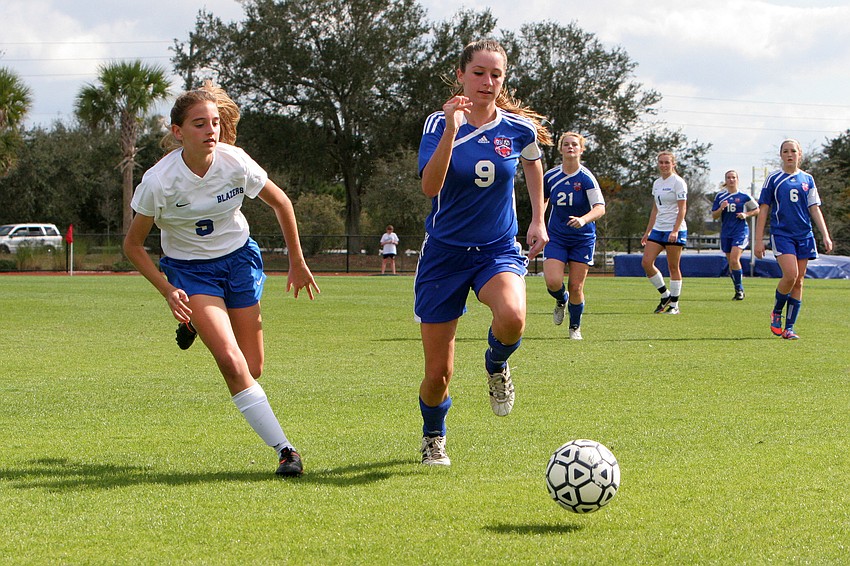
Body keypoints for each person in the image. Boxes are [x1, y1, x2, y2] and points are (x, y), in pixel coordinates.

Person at [123, 86, 320, 476]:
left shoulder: (235, 162)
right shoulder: (159, 181)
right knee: (231, 363)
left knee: (252, 367)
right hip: (190, 272)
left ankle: (195, 322)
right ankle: (286, 450)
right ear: (178, 131)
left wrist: (297, 261)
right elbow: (132, 245)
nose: (210, 130)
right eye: (199, 124)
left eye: (214, 122)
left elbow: (282, 202)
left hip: (238, 261)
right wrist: (167, 290)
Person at [415, 39, 551, 466]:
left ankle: (496, 364)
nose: (487, 82)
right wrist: (454, 128)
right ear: (461, 75)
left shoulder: (518, 129)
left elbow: (532, 162)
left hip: (496, 250)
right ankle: (433, 435)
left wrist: (538, 218)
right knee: (438, 375)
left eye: (496, 74)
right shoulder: (438, 124)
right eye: (478, 73)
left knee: (512, 317)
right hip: (444, 255)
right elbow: (429, 186)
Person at [754, 138, 833, 339]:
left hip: (804, 235)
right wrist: (758, 239)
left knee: (798, 281)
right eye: (786, 151)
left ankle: (789, 328)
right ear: (781, 155)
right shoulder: (774, 179)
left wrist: (824, 234)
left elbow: (814, 208)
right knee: (790, 274)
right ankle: (777, 311)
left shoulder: (807, 179)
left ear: (800, 155)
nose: (790, 155)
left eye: (793, 151)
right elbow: (764, 209)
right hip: (782, 234)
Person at [542, 132, 606, 340]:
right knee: (553, 281)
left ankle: (574, 327)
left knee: (576, 287)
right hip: (557, 236)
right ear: (560, 149)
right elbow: (541, 198)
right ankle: (561, 300)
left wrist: (583, 219)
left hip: (582, 238)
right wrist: (538, 222)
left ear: (581, 149)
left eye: (574, 145)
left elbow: (600, 208)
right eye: (566, 144)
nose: (570, 148)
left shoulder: (586, 178)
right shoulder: (550, 176)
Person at [640, 151, 688, 315]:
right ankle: (665, 294)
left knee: (673, 266)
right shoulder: (657, 183)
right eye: (661, 162)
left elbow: (682, 209)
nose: (664, 165)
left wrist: (675, 230)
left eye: (667, 162)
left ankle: (675, 305)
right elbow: (655, 208)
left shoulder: (678, 182)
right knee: (646, 262)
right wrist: (648, 231)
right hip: (658, 229)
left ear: (673, 164)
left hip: (674, 229)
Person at [711, 170, 759, 300]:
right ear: (725, 180)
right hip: (726, 232)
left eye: (733, 177)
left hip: (740, 231)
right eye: (728, 178)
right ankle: (737, 288)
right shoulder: (720, 197)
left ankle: (739, 290)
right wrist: (721, 208)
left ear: (737, 179)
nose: (731, 180)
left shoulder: (743, 196)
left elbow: (757, 209)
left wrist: (746, 214)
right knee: (730, 262)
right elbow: (714, 215)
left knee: (734, 259)